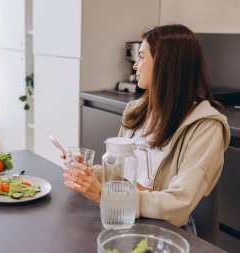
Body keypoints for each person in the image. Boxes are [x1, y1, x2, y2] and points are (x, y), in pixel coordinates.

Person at [63, 24, 231, 231]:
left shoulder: (206, 127)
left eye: (142, 57)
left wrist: (103, 195)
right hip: (120, 214)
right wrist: (90, 173)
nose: (135, 66)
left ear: (165, 65)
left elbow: (179, 205)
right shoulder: (136, 110)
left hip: (165, 230)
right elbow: (120, 176)